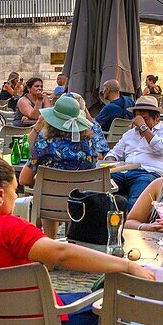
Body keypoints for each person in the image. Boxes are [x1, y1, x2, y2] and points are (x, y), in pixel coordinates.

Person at [0, 156, 155, 325]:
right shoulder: (10, 229)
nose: (16, 197)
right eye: (15, 191)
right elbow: (61, 253)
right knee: (119, 307)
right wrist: (126, 265)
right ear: (0, 195)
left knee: (89, 297)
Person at [18, 96, 103, 238]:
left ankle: (50, 239)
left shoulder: (45, 144)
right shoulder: (90, 144)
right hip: (82, 205)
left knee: (46, 188)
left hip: (51, 207)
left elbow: (23, 180)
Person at [104, 95, 163, 208]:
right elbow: (114, 153)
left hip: (148, 173)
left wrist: (143, 128)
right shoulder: (130, 134)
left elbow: (160, 147)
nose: (140, 122)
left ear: (157, 117)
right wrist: (110, 162)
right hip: (123, 172)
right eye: (138, 119)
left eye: (145, 119)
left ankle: (131, 223)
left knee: (136, 202)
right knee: (100, 191)